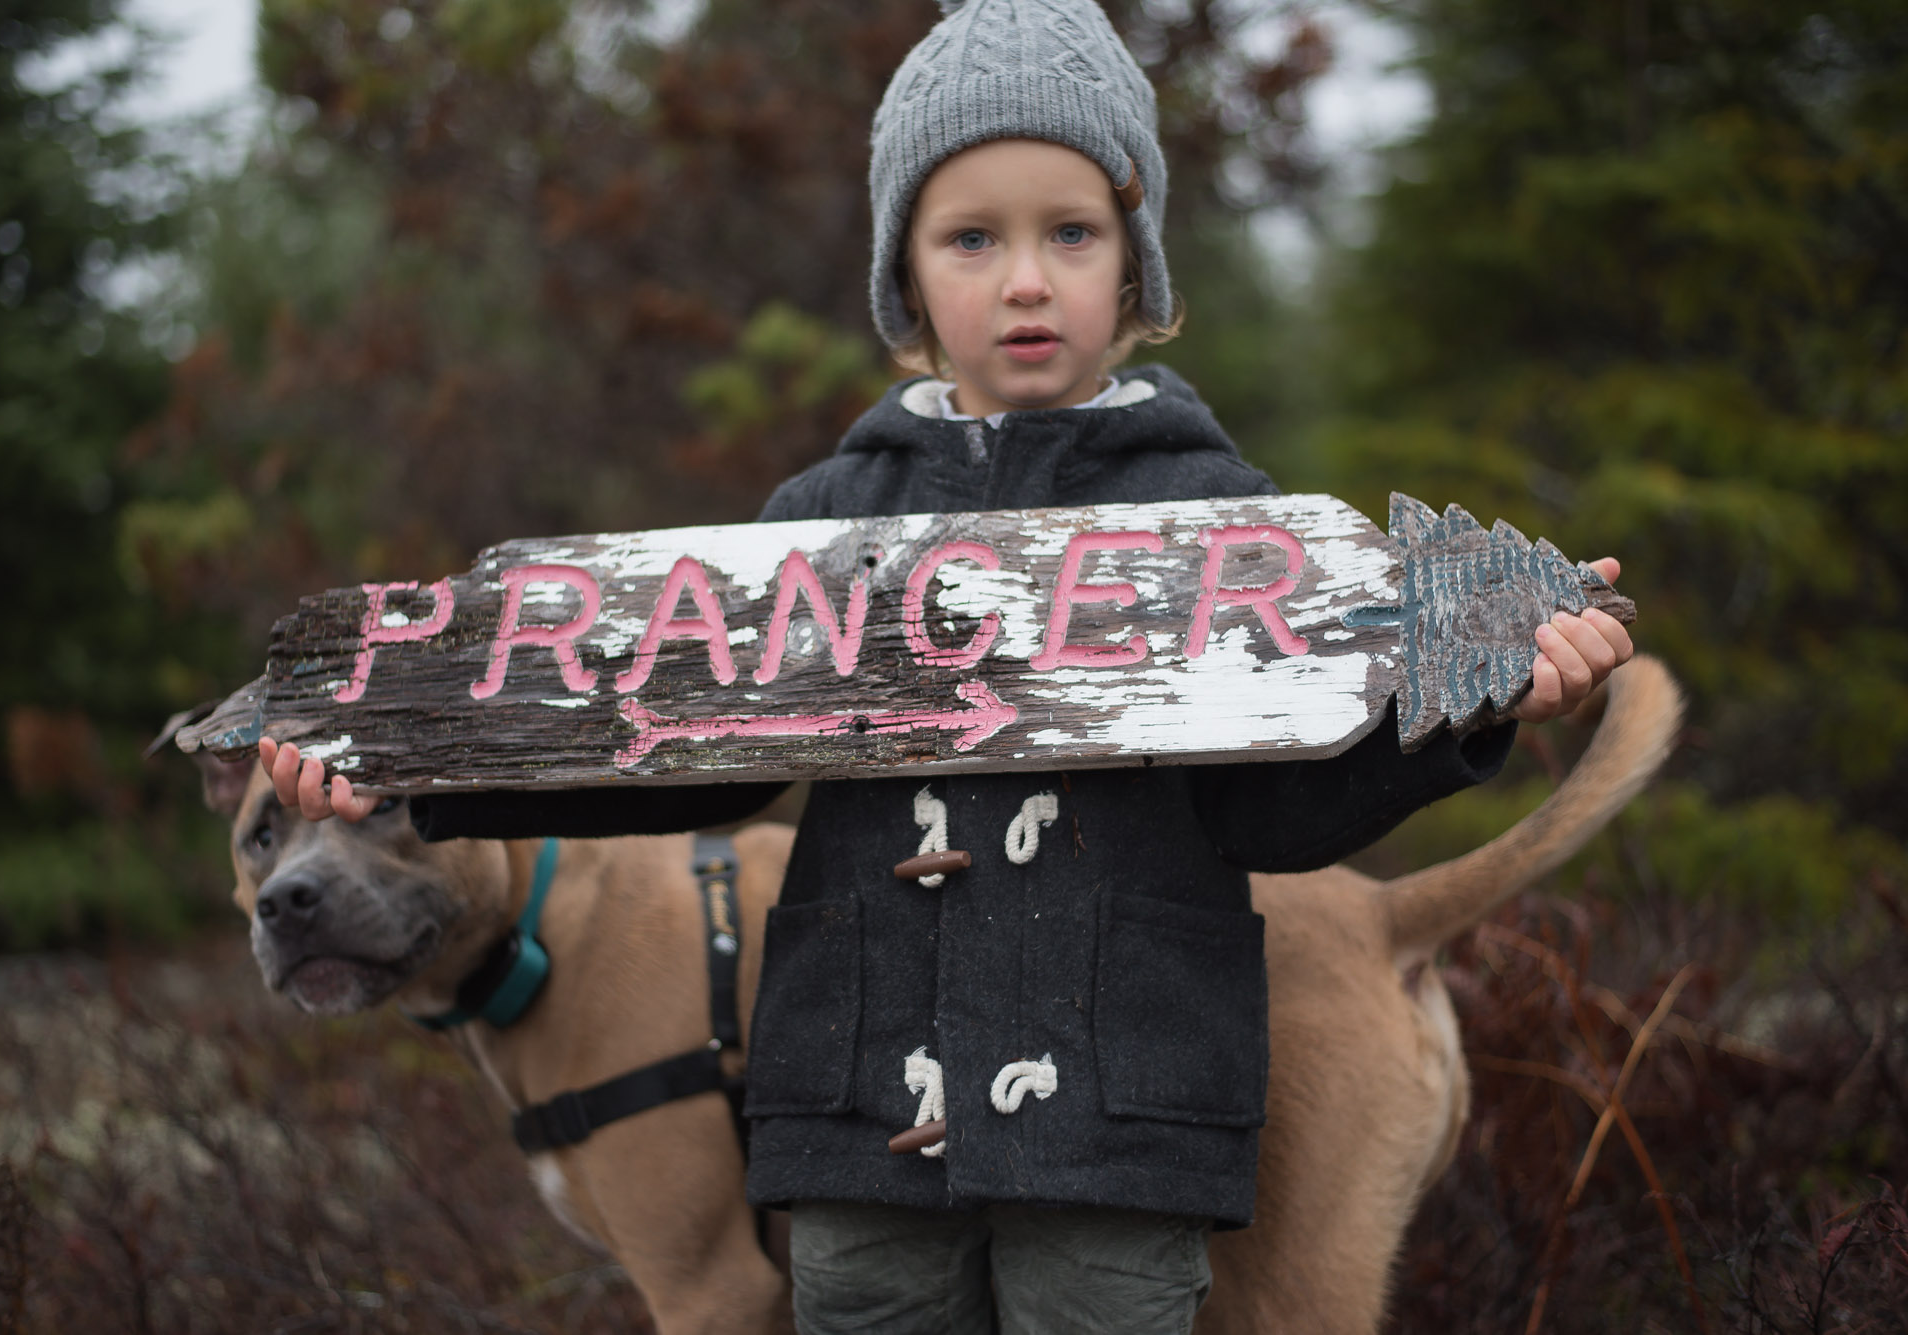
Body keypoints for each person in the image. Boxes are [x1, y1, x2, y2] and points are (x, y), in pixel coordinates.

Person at [264, 2, 1633, 1329]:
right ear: (906, 276)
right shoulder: (822, 519)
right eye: (972, 236)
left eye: (1073, 233)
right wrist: (416, 767)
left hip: (1119, 1122)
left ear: (1136, 268)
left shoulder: (1220, 516)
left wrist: (1460, 708)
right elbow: (667, 751)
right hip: (862, 1112)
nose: (1026, 278)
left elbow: (1265, 813)